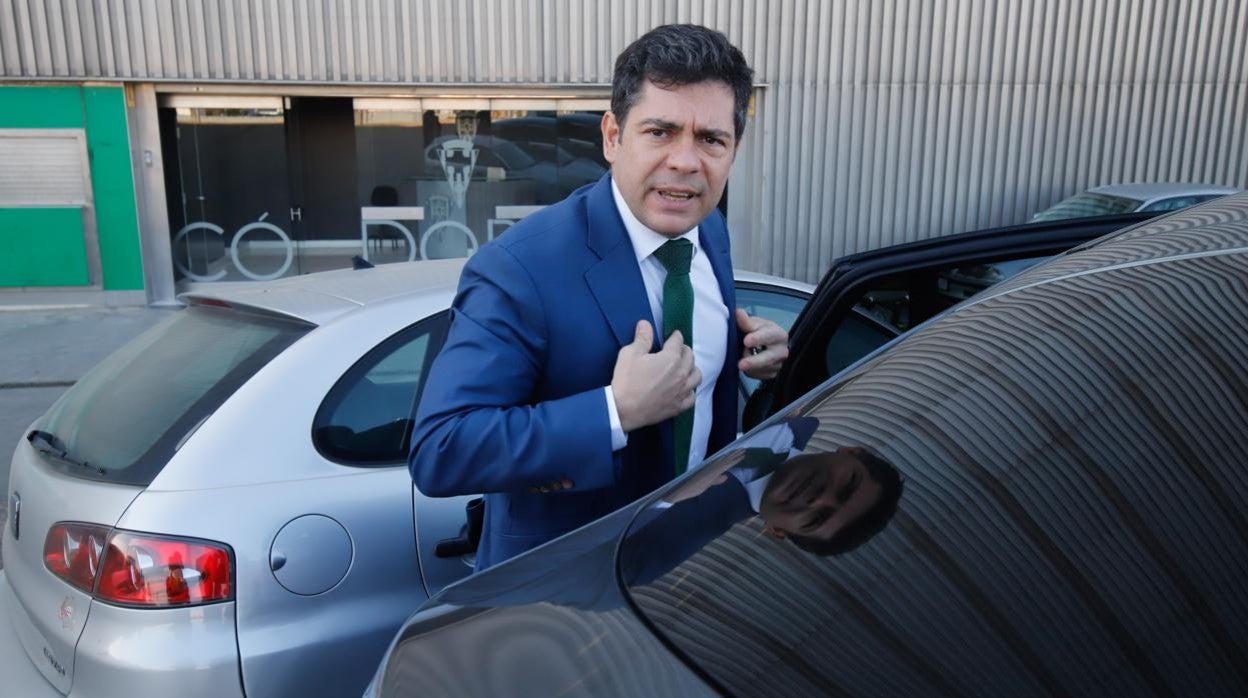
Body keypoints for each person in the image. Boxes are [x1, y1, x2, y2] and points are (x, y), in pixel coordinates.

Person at [409, 24, 789, 571]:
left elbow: (690, 359)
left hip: (698, 567)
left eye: (711, 139)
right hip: (568, 591)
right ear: (613, 137)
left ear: (734, 151)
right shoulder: (520, 268)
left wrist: (744, 350)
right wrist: (616, 411)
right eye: (660, 132)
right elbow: (442, 449)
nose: (685, 161)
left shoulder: (710, 230)